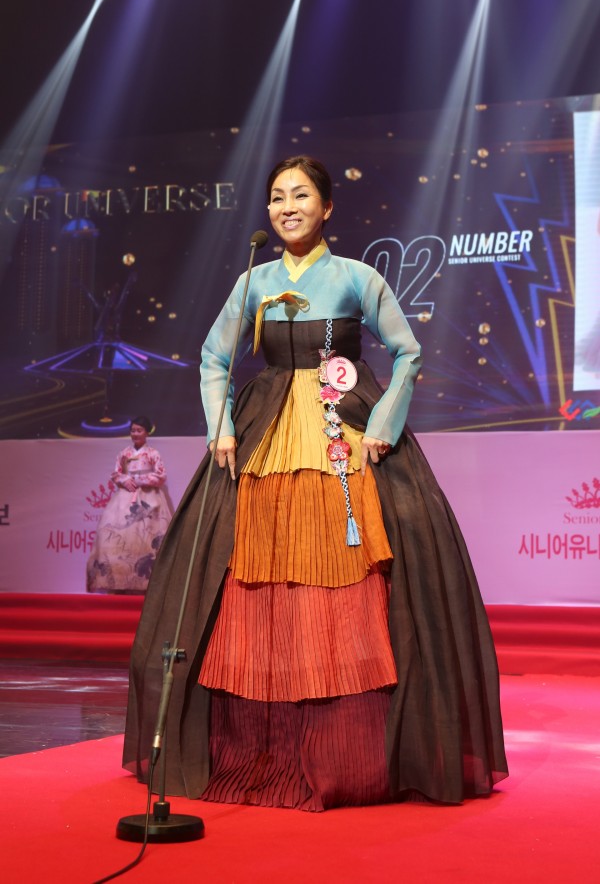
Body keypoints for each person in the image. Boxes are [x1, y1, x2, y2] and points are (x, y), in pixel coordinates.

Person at [123, 156, 508, 809]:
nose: (287, 207)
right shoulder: (254, 280)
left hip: (343, 431)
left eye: (300, 196)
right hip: (264, 436)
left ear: (327, 207)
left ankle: (354, 755)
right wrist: (220, 428)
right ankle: (251, 747)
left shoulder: (357, 277)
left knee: (355, 573)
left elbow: (408, 352)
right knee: (247, 576)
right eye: (277, 197)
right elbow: (214, 357)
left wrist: (383, 425)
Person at [86, 416, 172, 595]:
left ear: (147, 432)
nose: (135, 434)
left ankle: (149, 584)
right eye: (133, 430)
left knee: (148, 537)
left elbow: (161, 475)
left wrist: (141, 480)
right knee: (116, 535)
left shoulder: (153, 453)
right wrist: (125, 480)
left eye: (139, 430)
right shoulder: (124, 453)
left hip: (149, 498)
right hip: (125, 498)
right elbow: (116, 474)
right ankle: (119, 580)